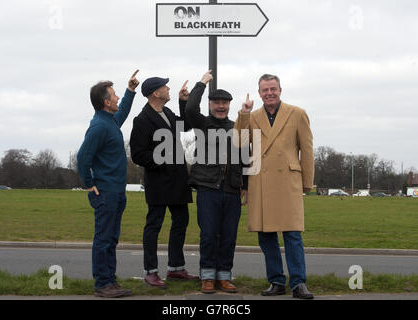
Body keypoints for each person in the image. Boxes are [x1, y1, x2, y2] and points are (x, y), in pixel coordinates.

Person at [234, 74, 315, 299]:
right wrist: (243, 114)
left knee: (292, 235)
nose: (269, 93)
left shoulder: (297, 113)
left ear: (280, 90)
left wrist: (307, 182)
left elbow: (306, 149)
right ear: (259, 93)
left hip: (288, 180)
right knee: (266, 236)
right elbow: (238, 142)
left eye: (273, 89)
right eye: (265, 90)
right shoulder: (252, 116)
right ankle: (276, 281)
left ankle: (298, 283)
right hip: (260, 180)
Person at [129, 77, 198, 288]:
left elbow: (185, 125)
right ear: (155, 93)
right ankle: (150, 272)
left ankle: (176, 268)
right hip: (159, 182)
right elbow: (138, 154)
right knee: (154, 226)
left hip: (178, 181)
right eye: (165, 86)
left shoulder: (166, 113)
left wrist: (183, 102)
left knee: (181, 222)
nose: (169, 88)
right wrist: (163, 162)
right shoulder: (142, 120)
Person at [77, 69, 140, 298]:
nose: (117, 98)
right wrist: (89, 183)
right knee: (104, 240)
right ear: (105, 102)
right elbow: (83, 156)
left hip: (116, 192)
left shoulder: (110, 121)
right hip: (105, 193)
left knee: (111, 239)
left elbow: (122, 112)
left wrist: (130, 91)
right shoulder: (99, 126)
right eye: (114, 95)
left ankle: (110, 282)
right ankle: (102, 284)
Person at [184, 71, 248, 294]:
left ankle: (224, 276)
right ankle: (208, 277)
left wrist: (245, 187)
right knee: (209, 234)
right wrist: (201, 84)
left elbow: (244, 159)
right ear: (210, 104)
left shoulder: (236, 127)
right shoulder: (201, 123)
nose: (221, 106)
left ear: (229, 105)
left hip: (232, 189)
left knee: (229, 236)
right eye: (217, 103)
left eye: (224, 103)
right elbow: (190, 108)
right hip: (208, 189)